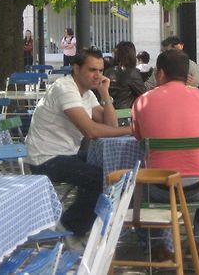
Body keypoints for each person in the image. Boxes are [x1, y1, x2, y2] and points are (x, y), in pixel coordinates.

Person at [24, 47, 132, 250]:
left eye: (100, 70)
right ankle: (70, 225)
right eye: (92, 70)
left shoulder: (87, 94)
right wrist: (132, 130)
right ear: (76, 68)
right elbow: (91, 131)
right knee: (103, 177)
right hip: (45, 159)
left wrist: (105, 93)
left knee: (108, 168)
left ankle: (80, 224)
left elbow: (111, 126)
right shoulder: (65, 88)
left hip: (65, 155)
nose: (97, 75)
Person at [132, 49, 199, 264]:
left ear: (161, 73)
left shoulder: (143, 101)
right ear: (186, 74)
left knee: (131, 192)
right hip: (198, 187)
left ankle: (157, 247)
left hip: (158, 189)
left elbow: (138, 138)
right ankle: (198, 242)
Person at [105, 41, 147, 109]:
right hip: (125, 113)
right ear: (132, 54)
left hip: (109, 110)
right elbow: (144, 94)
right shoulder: (132, 72)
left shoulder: (108, 71)